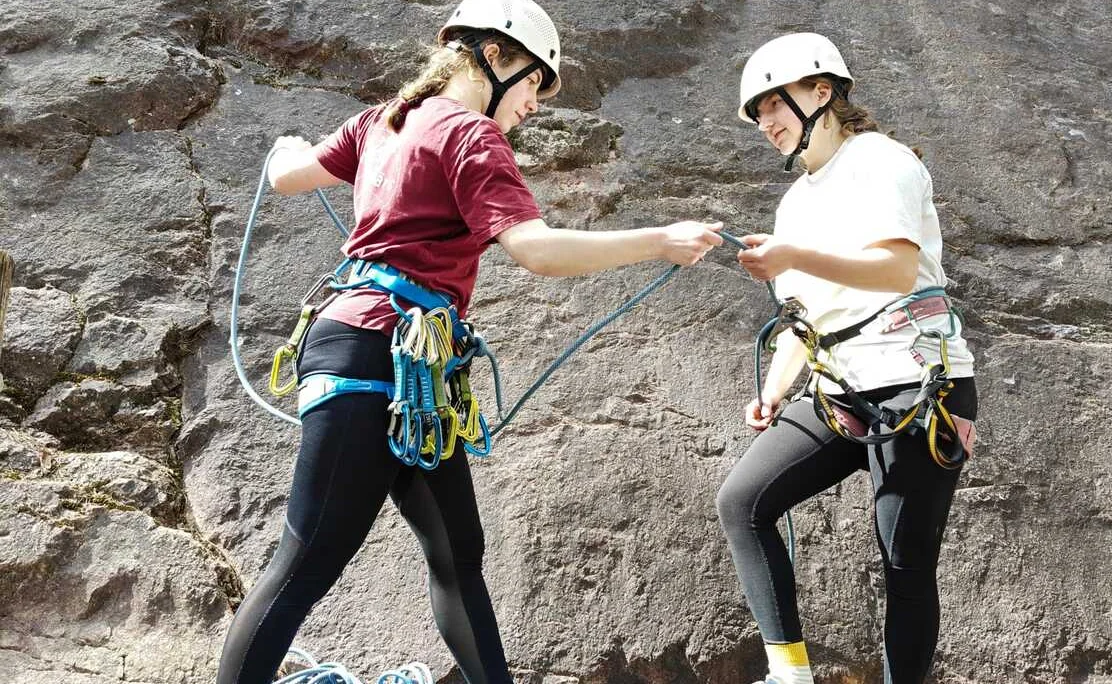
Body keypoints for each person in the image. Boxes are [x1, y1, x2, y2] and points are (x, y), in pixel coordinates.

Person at [215, 1, 723, 681]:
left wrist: (284, 149)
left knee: (458, 553)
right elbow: (536, 251)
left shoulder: (381, 121)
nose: (535, 105)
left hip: (394, 363)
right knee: (304, 565)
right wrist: (658, 241)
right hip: (377, 355)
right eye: (535, 83)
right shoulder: (472, 137)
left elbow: (287, 177)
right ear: (497, 58)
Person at [716, 33, 978, 684]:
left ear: (822, 92)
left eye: (773, 104)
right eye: (756, 115)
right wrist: (776, 391)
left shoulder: (880, 161)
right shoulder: (796, 202)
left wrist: (792, 256)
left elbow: (894, 269)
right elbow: (804, 320)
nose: (765, 123)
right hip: (840, 392)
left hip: (917, 385)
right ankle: (790, 673)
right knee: (742, 502)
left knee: (905, 565)